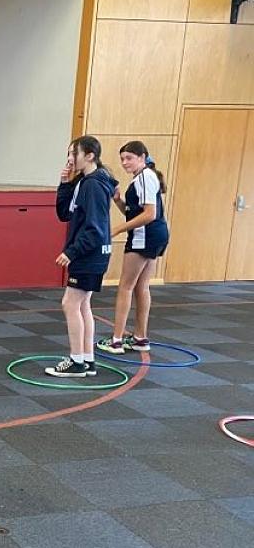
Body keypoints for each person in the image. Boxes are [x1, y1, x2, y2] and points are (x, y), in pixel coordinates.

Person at [48, 136, 115, 378]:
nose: (69, 159)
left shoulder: (94, 185)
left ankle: (77, 361)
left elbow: (94, 228)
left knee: (70, 303)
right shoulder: (84, 182)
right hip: (92, 253)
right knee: (83, 304)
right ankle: (87, 359)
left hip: (90, 254)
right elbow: (64, 214)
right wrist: (65, 184)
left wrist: (72, 251)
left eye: (73, 153)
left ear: (89, 155)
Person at [96, 141, 169, 355]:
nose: (124, 162)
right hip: (156, 235)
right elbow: (134, 212)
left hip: (145, 236)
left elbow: (149, 214)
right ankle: (140, 338)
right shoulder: (142, 178)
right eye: (122, 159)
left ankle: (116, 340)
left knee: (126, 287)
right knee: (141, 286)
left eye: (129, 158)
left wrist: (117, 229)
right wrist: (118, 201)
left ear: (142, 157)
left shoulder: (145, 177)